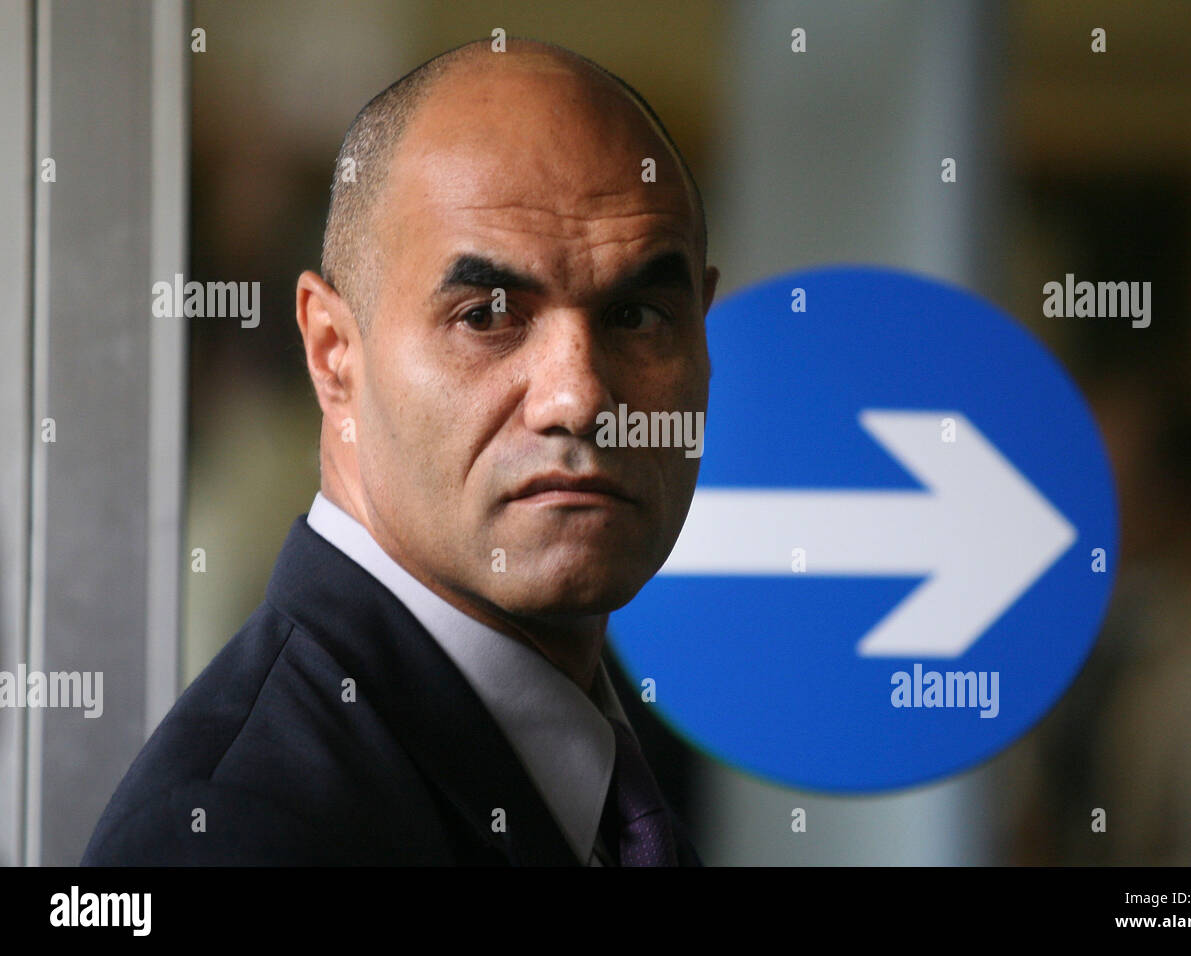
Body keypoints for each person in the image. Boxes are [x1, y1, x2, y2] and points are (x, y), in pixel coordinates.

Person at [82, 36, 719, 866]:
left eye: (636, 317)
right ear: (332, 353)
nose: (579, 399)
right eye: (487, 317)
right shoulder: (235, 833)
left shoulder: (604, 759)